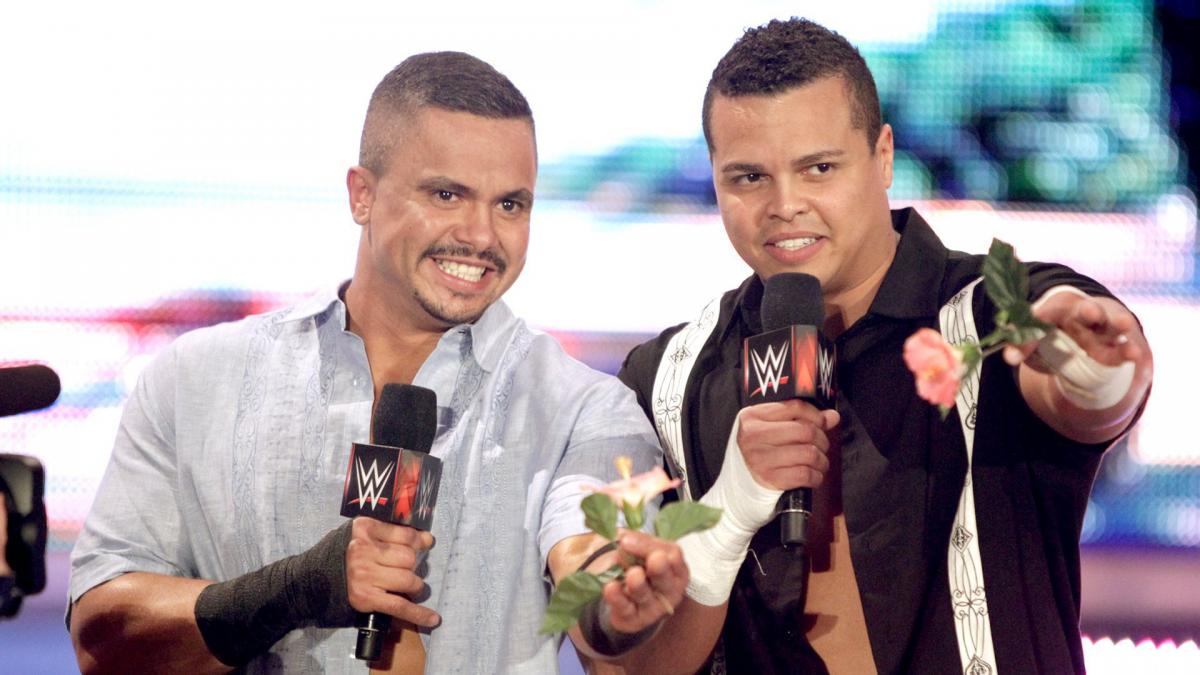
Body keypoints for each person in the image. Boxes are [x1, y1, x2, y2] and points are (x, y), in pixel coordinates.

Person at [68, 52, 719, 674]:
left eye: (510, 204)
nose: (481, 235)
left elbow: (593, 568)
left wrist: (617, 605)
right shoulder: (193, 382)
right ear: (362, 195)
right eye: (446, 194)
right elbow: (102, 640)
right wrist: (298, 587)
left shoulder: (586, 409)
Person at [619, 18, 1154, 675]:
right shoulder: (667, 381)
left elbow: (1092, 391)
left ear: (883, 156)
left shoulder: (994, 313)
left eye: (819, 167)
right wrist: (724, 519)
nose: (785, 205)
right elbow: (626, 664)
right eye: (749, 177)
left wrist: (1094, 368)